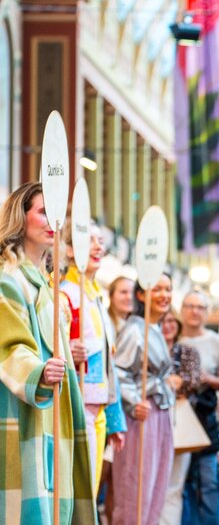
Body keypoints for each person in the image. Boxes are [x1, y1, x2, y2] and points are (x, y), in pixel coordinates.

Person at [0, 182, 95, 523]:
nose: (52, 220)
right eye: (43, 211)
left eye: (57, 213)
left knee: (55, 501)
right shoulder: (8, 279)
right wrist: (37, 371)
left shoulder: (47, 284)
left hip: (53, 411)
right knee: (27, 504)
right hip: (21, 409)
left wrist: (68, 351)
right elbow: (8, 345)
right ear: (19, 217)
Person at [60, 220, 128, 497]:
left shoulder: (95, 295)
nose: (99, 246)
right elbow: (54, 347)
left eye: (101, 240)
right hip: (75, 404)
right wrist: (66, 349)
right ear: (69, 248)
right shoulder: (64, 293)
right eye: (90, 240)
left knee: (89, 486)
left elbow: (109, 366)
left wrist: (114, 418)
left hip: (97, 405)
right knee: (78, 489)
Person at [113, 273, 175, 525]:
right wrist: (131, 401)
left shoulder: (154, 329)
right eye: (156, 289)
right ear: (141, 295)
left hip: (160, 412)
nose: (164, 295)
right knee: (136, 489)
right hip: (140, 415)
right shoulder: (134, 330)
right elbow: (117, 372)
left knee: (157, 486)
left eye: (168, 289)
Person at [179, 291, 219, 525]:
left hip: (206, 420)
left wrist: (206, 379)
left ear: (207, 312)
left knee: (209, 482)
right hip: (177, 421)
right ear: (182, 309)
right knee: (182, 483)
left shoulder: (216, 343)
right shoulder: (173, 337)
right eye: (190, 305)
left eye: (200, 307)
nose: (194, 311)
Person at [159, 308, 202, 525]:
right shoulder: (146, 346)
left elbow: (193, 381)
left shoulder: (187, 351)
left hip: (180, 423)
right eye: (162, 321)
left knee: (174, 485)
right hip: (149, 420)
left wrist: (174, 383)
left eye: (171, 321)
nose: (167, 325)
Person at [101, 275, 136, 519]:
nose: (128, 297)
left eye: (131, 292)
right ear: (111, 296)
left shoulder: (134, 327)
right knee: (99, 475)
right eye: (122, 292)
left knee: (118, 480)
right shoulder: (104, 324)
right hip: (104, 408)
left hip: (126, 414)